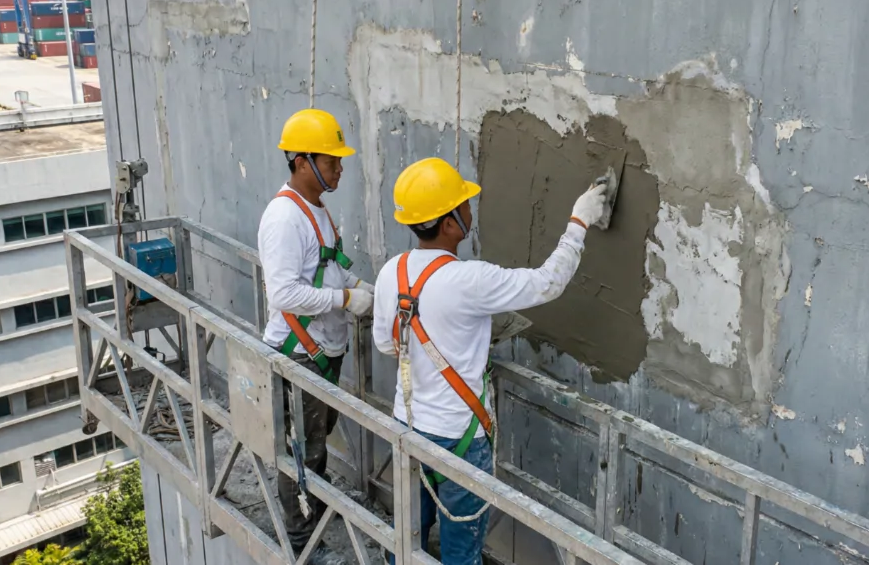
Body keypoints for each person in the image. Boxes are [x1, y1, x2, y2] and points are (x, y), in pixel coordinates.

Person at [373, 157, 608, 564]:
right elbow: (547, 283)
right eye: (463, 206)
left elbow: (386, 343)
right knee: (460, 555)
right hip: (460, 441)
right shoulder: (469, 279)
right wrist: (579, 222)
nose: (470, 210)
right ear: (448, 223)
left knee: (405, 542)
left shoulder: (391, 272)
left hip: (408, 428)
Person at [257, 108, 375, 554]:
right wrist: (345, 301)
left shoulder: (318, 210)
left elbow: (326, 270)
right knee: (303, 454)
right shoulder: (285, 218)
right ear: (302, 161)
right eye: (332, 161)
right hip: (299, 352)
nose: (340, 168)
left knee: (316, 444)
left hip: (324, 348)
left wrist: (362, 288)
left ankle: (311, 519)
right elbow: (285, 294)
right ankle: (303, 545)